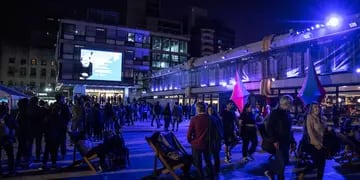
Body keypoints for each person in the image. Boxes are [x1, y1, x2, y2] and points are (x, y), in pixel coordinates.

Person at [264, 95, 294, 180]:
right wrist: (274, 140)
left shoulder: (287, 114)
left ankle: (271, 172)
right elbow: (270, 127)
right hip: (278, 141)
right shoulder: (275, 113)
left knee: (284, 162)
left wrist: (292, 141)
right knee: (281, 164)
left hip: (286, 141)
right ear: (286, 103)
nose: (291, 105)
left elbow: (289, 129)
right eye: (290, 104)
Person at [187, 102, 214, 179]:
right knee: (208, 161)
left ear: (198, 109)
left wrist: (191, 141)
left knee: (198, 163)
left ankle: (201, 177)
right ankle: (211, 176)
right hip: (207, 144)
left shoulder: (194, 119)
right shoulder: (210, 119)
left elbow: (189, 134)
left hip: (197, 144)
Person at [305, 103, 326, 180]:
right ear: (312, 109)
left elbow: (323, 130)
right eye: (315, 107)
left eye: (318, 107)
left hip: (323, 143)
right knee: (316, 163)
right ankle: (303, 172)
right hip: (314, 144)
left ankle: (319, 178)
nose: (317, 109)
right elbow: (310, 132)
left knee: (322, 164)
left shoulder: (321, 117)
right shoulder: (309, 117)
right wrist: (317, 143)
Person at [0, 104, 15, 175]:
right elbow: (15, 125)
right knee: (10, 154)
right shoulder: (9, 117)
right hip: (7, 138)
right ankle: (11, 170)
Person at [207, 106, 223, 175]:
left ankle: (212, 170)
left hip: (213, 140)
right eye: (209, 109)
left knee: (211, 155)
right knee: (215, 155)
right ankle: (216, 169)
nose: (210, 111)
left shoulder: (212, 118)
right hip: (216, 140)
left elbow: (211, 131)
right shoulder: (217, 118)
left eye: (211, 110)